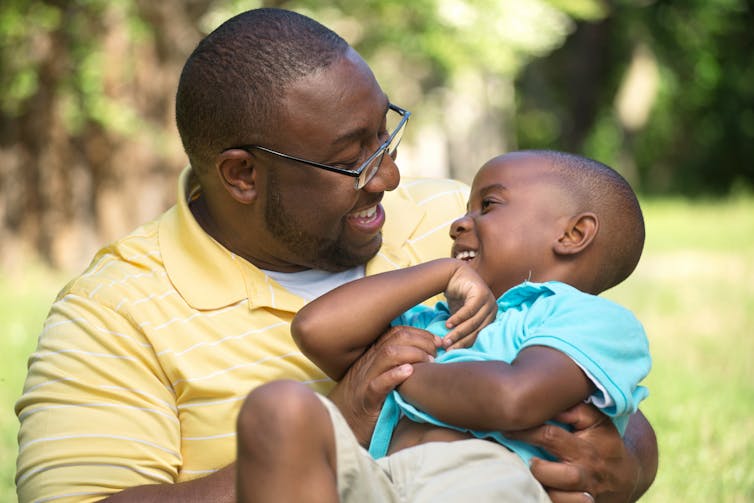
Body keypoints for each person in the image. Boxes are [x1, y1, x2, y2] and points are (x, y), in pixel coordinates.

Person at [14, 8, 656, 503]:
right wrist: (338, 425)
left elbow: (595, 381)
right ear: (242, 174)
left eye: (387, 133)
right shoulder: (111, 313)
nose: (391, 178)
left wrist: (624, 461)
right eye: (354, 159)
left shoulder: (456, 221)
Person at [236, 150, 651, 502]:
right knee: (278, 407)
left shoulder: (590, 320)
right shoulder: (438, 318)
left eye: (487, 206)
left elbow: (513, 398)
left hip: (490, 481)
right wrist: (440, 273)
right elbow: (315, 329)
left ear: (574, 233)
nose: (459, 224)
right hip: (384, 479)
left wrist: (405, 376)